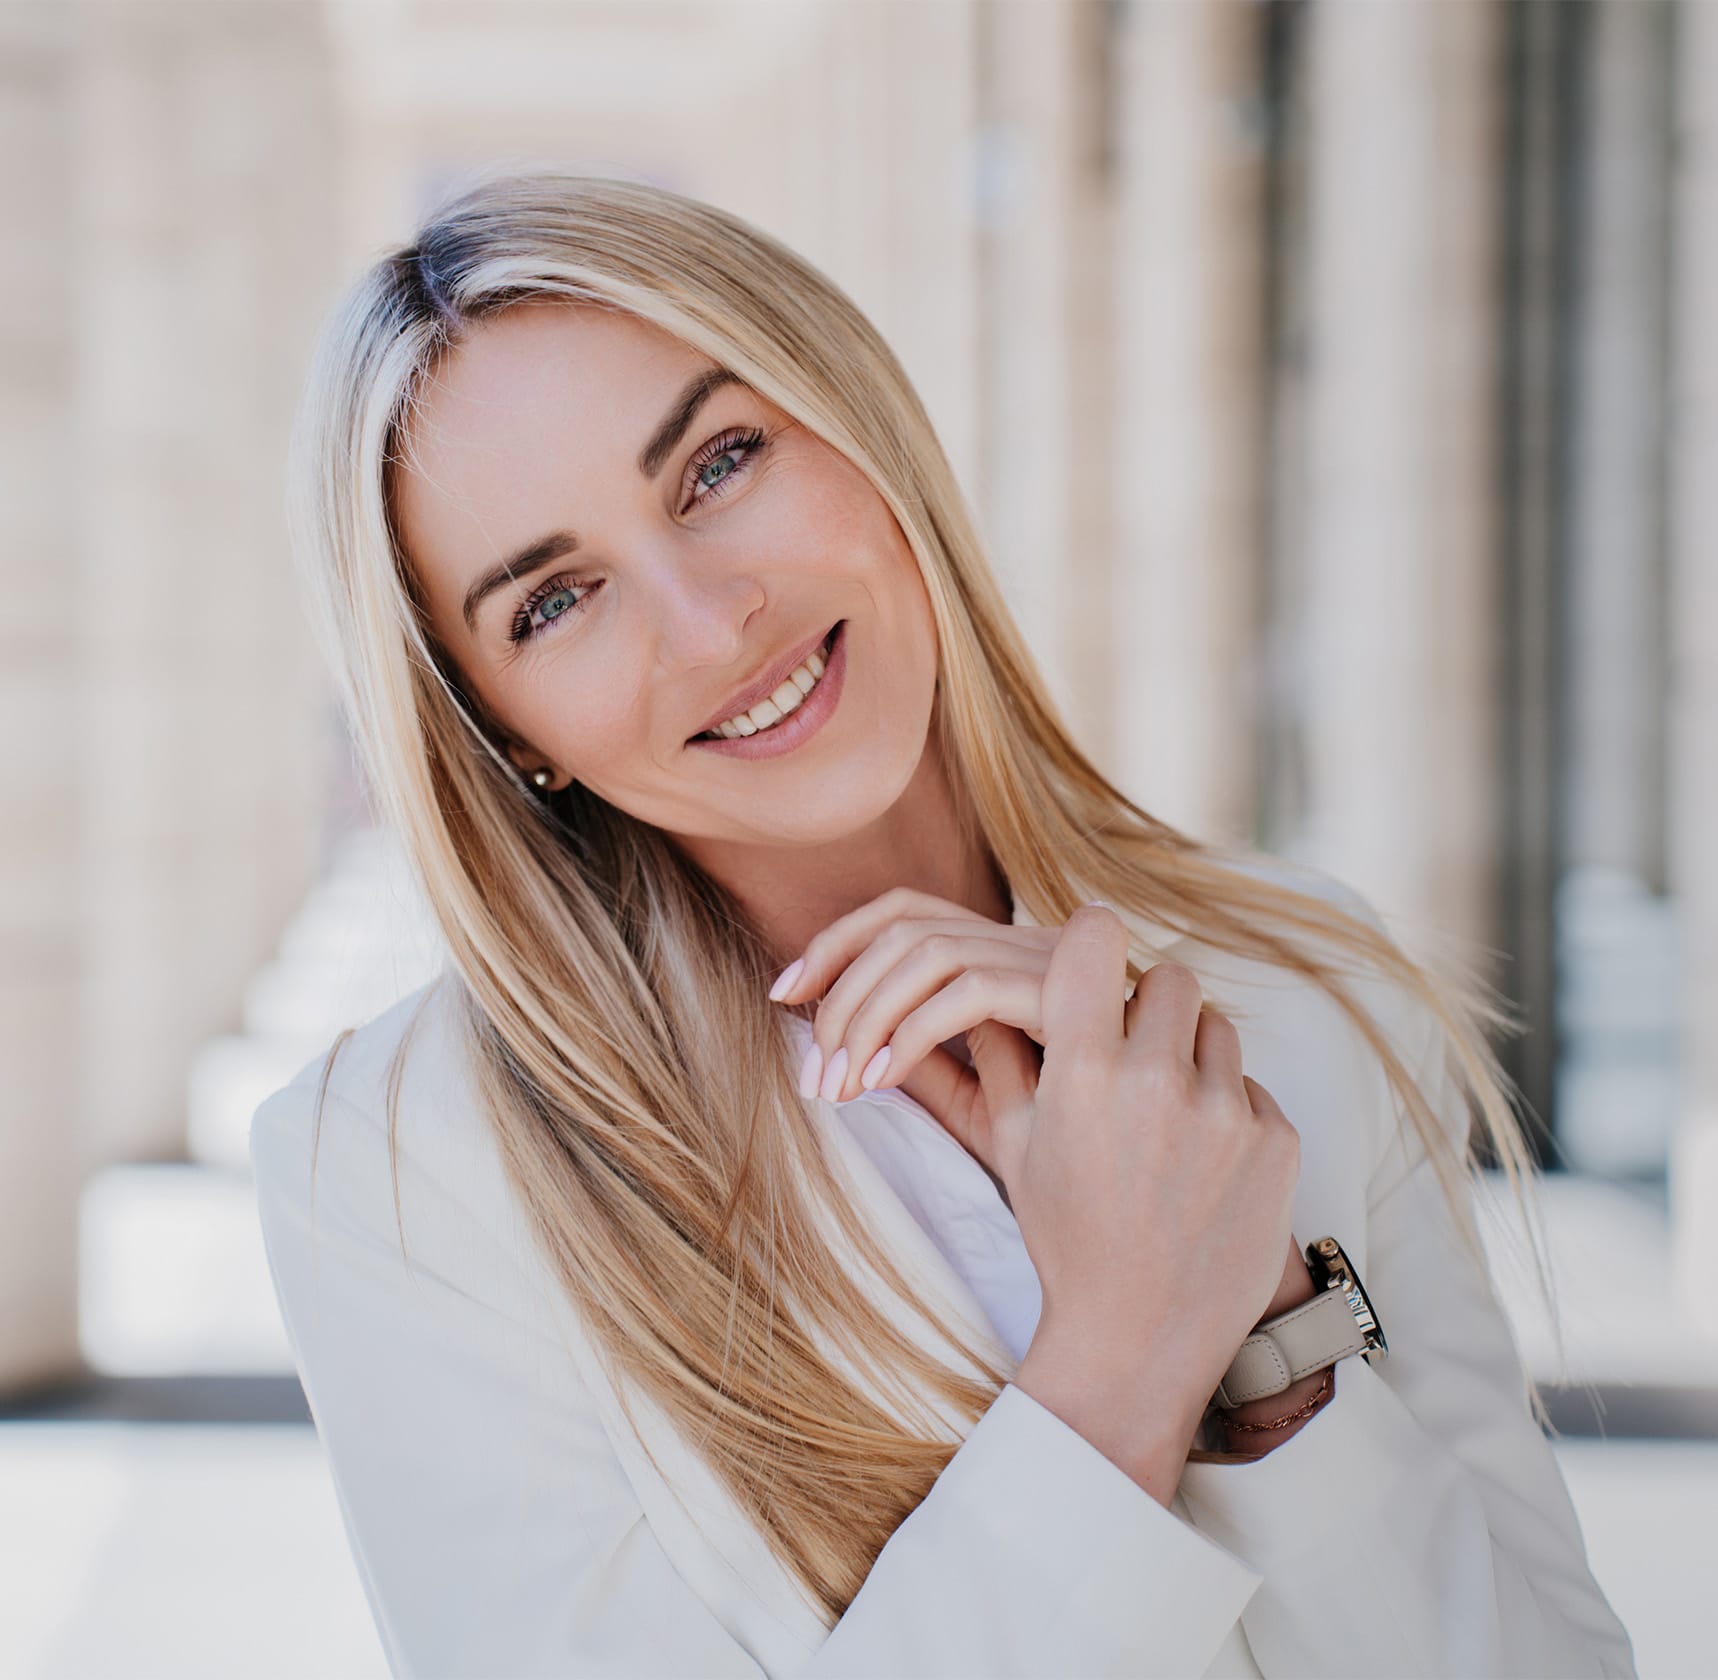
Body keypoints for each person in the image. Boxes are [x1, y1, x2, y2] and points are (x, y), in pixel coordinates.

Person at [250, 168, 1636, 1679]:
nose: (714, 624)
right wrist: (1116, 1361)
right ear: (501, 728)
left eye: (718, 464)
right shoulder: (405, 1164)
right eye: (555, 602)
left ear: (858, 424)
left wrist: (1270, 1342)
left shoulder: (1289, 982)